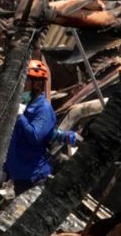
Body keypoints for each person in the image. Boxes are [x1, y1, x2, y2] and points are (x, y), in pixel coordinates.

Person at [5, 59, 71, 195]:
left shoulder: (43, 110)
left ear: (37, 84)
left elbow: (35, 137)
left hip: (32, 176)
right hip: (20, 173)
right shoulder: (28, 106)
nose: (22, 85)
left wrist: (20, 117)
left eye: (26, 81)